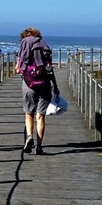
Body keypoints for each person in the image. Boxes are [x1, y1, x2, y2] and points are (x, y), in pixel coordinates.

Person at [16, 27, 60, 155]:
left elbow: (18, 69)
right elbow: (49, 69)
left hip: (28, 84)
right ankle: (39, 146)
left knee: (28, 113)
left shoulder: (24, 48)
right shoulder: (44, 48)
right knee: (40, 116)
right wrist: (55, 86)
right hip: (44, 84)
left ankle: (29, 137)